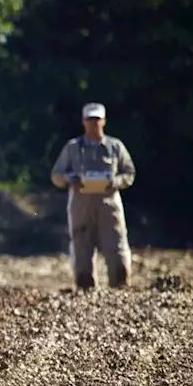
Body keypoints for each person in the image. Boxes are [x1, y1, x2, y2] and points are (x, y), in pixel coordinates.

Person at [50, 103, 136, 289]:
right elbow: (56, 175)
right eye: (89, 119)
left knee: (116, 245)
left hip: (109, 204)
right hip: (81, 204)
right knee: (81, 247)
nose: (93, 123)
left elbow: (129, 173)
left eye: (97, 119)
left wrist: (116, 182)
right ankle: (85, 288)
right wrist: (71, 179)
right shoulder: (73, 147)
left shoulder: (115, 147)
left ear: (103, 121)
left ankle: (121, 285)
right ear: (83, 121)